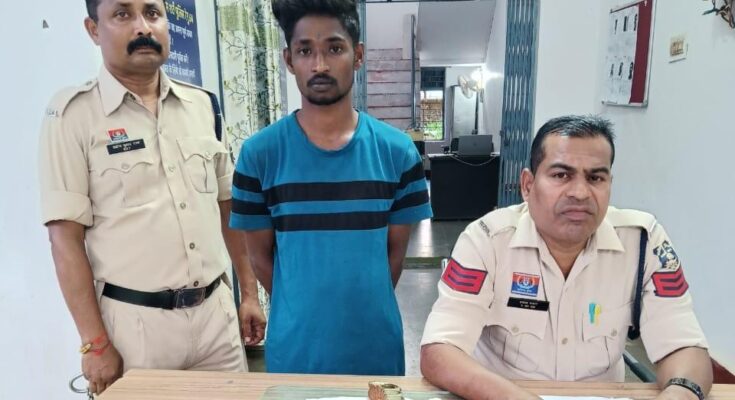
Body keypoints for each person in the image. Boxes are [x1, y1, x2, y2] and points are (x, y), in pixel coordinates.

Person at [38, 0, 265, 395]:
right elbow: (64, 240)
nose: (143, 27)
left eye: (152, 13)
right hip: (136, 330)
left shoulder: (203, 106)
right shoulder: (73, 116)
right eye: (122, 14)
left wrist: (249, 293)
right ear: (94, 29)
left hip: (216, 320)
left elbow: (228, 207)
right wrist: (95, 343)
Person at [420, 115, 712, 400]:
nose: (580, 193)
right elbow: (439, 351)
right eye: (561, 175)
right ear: (527, 185)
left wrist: (680, 392)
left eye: (596, 177)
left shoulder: (643, 241)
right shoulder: (486, 240)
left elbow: (684, 346)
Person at [229, 0, 432, 376]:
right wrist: (304, 308)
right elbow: (261, 259)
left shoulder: (397, 152)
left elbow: (393, 256)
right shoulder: (259, 155)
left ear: (358, 56)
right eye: (305, 50)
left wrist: (358, 307)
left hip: (375, 349)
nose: (319, 65)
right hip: (295, 352)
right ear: (289, 60)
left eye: (334, 48)